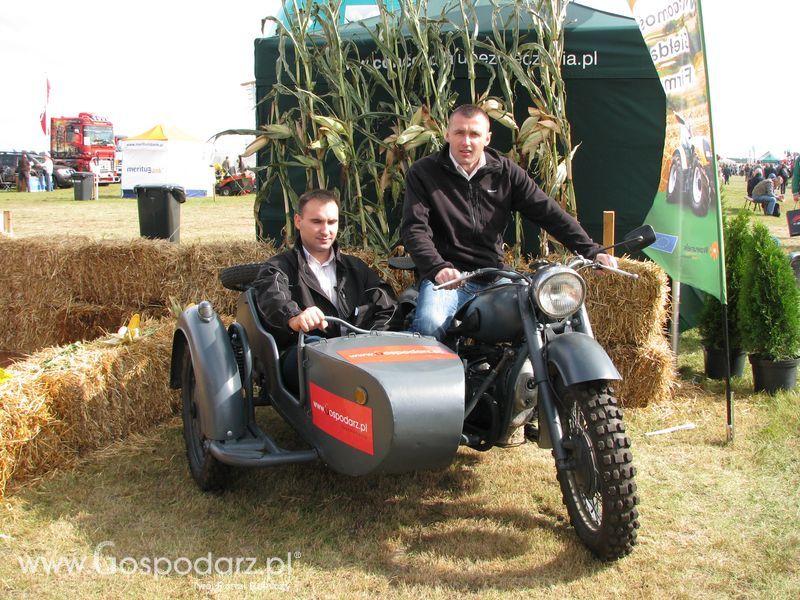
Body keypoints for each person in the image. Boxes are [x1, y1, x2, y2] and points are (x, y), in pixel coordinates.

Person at [401, 104, 617, 340]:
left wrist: (591, 250)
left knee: (545, 316)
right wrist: (438, 268)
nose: (467, 142)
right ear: (447, 134)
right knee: (429, 325)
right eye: (459, 133)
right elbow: (415, 229)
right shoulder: (424, 172)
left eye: (474, 134)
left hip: (495, 275)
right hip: (449, 278)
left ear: (487, 138)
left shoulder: (506, 172)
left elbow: (548, 212)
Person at [254, 189, 400, 389]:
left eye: (332, 222)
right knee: (316, 354)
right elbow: (272, 298)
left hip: (358, 355)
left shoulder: (356, 268)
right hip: (302, 352)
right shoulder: (279, 267)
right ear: (298, 221)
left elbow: (387, 306)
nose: (326, 230)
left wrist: (373, 340)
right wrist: (295, 317)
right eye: (317, 222)